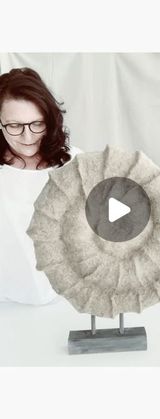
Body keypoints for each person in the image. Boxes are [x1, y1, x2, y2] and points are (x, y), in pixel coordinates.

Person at [0, 67, 82, 304]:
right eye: (14, 126)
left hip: (69, 301)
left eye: (37, 123)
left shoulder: (75, 163)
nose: (27, 137)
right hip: (6, 304)